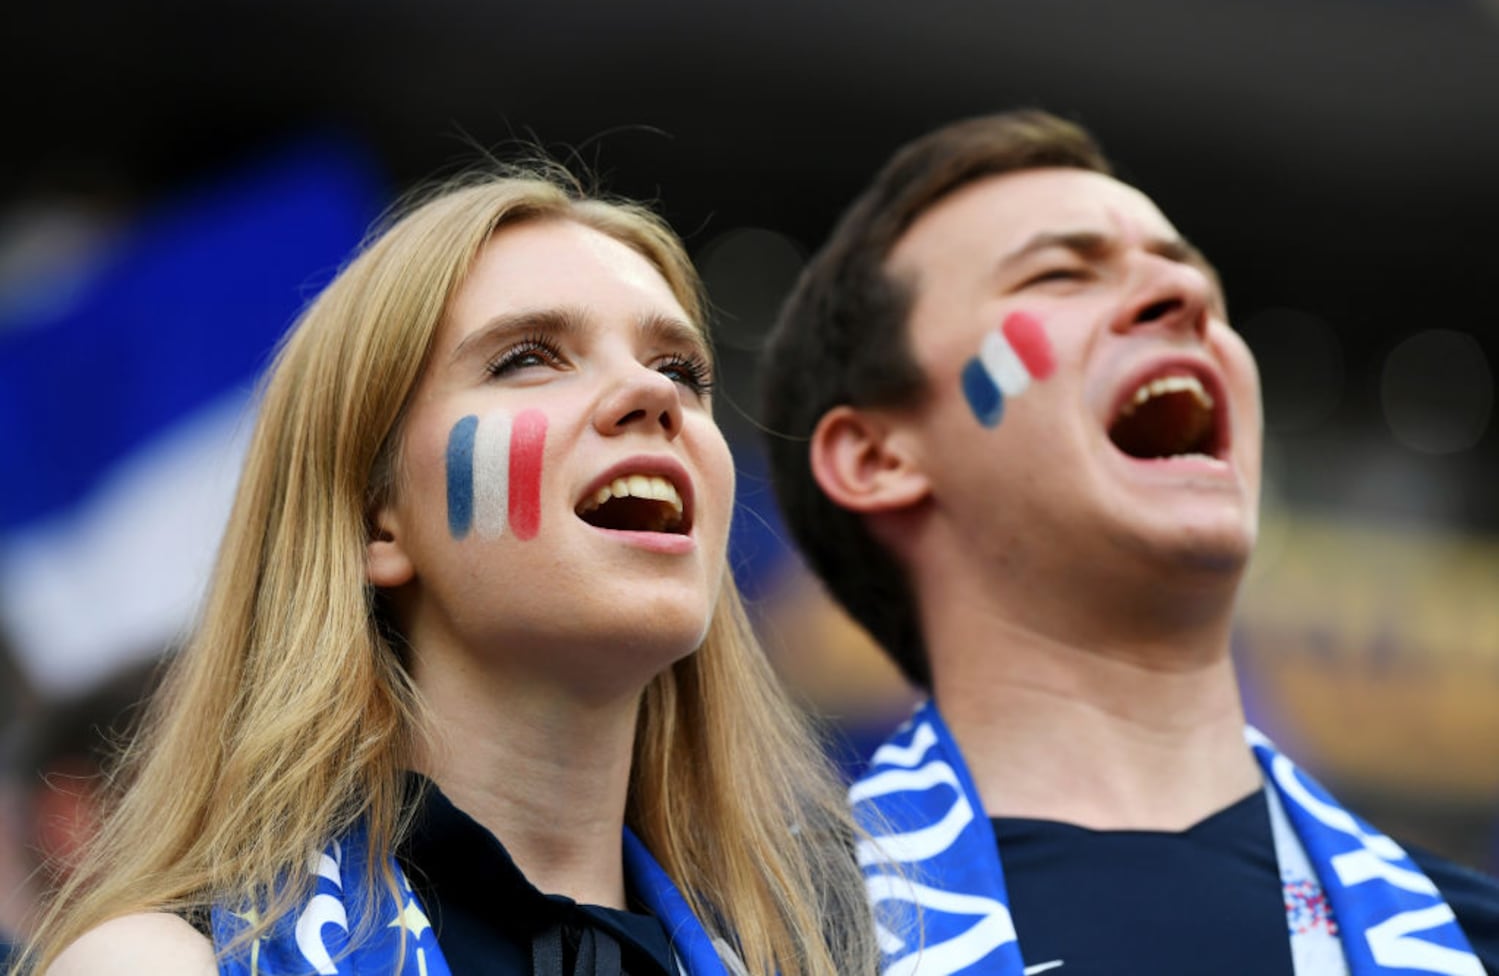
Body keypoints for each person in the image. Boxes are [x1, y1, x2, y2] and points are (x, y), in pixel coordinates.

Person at [19, 166, 879, 975]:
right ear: (374, 519)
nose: (654, 398)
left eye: (680, 371)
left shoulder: (854, 952)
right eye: (528, 358)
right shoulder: (165, 963)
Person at [759, 110, 1499, 975]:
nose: (1185, 300)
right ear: (879, 458)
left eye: (1195, 282)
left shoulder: (1473, 943)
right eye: (1062, 274)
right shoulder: (757, 939)